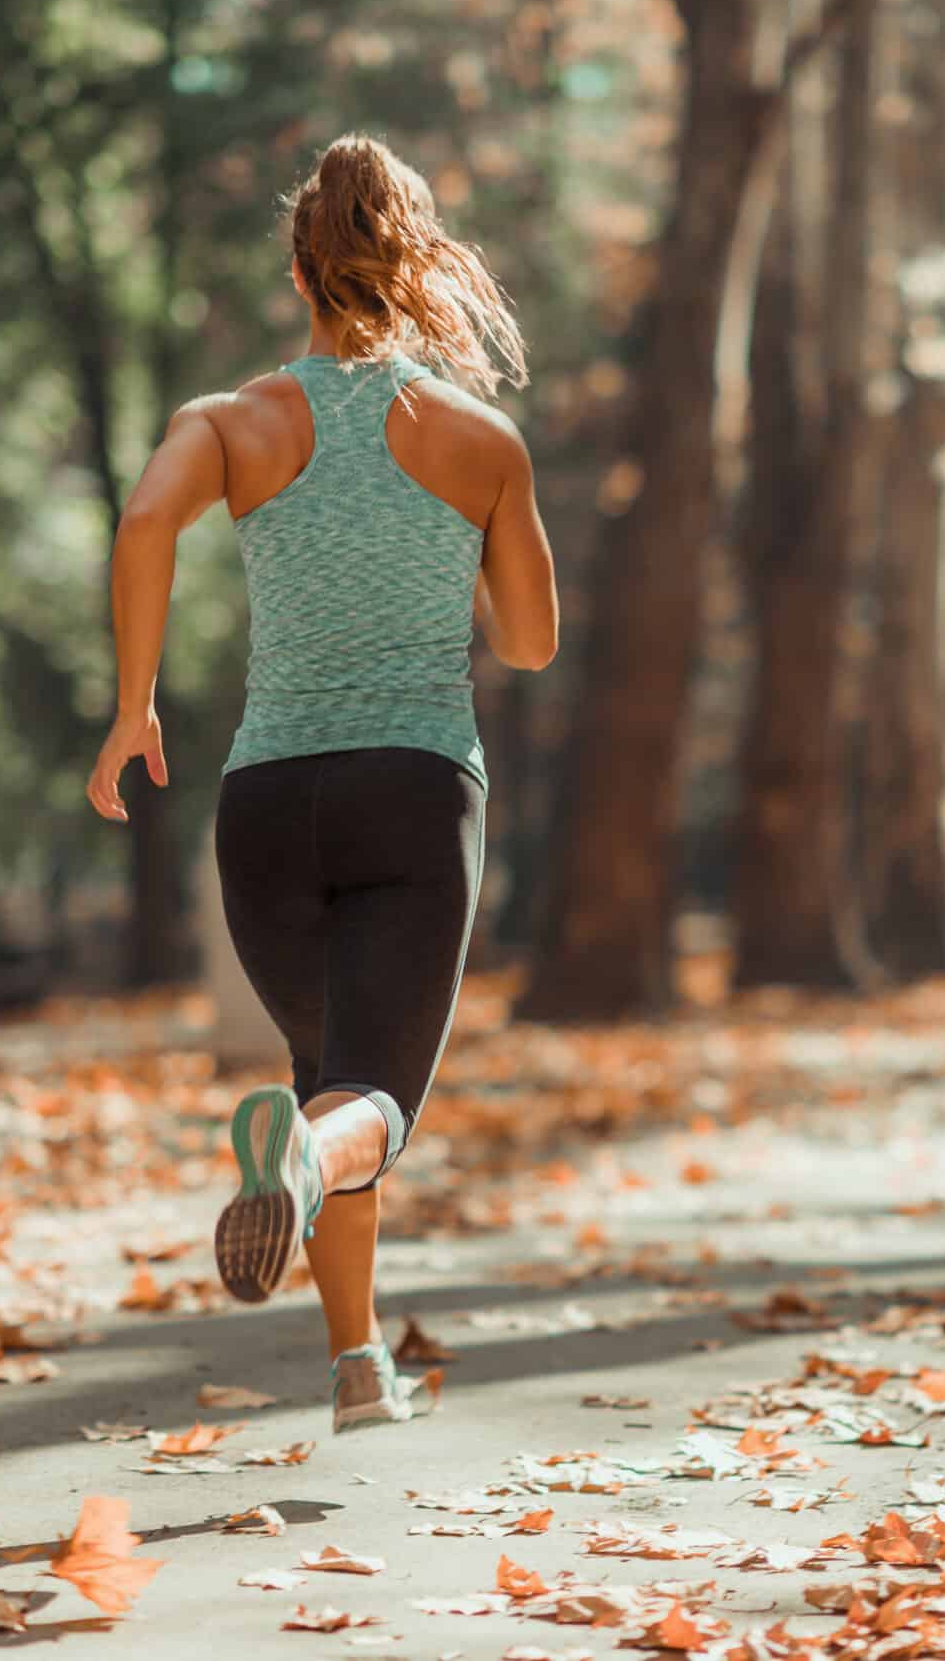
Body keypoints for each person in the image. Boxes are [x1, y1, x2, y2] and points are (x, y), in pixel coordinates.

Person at [84, 135, 558, 1433]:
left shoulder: (228, 423)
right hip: (414, 789)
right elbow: (529, 641)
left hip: (267, 802)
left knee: (329, 1078)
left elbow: (140, 526)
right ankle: (297, 1173)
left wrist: (133, 706)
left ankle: (358, 1369)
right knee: (372, 1105)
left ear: (298, 267)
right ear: (415, 270)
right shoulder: (478, 440)